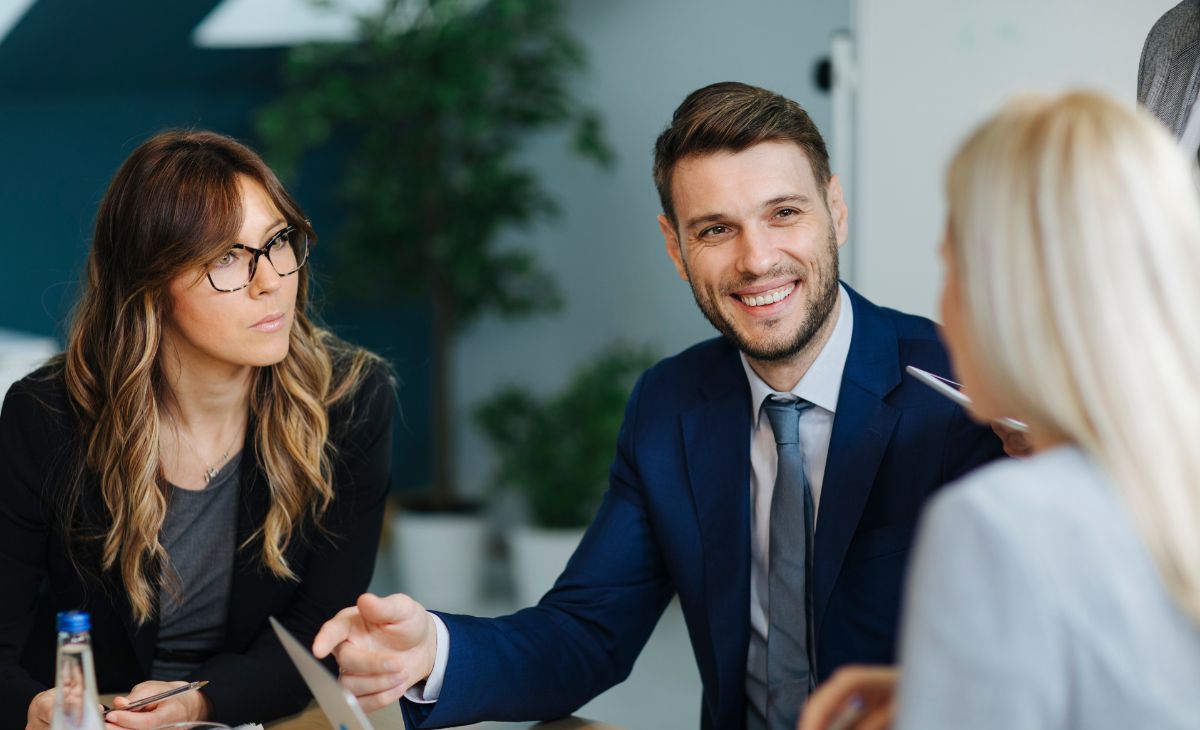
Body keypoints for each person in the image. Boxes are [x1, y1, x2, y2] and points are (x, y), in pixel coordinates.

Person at [315, 82, 1004, 730]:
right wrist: (430, 652)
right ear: (675, 247)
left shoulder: (969, 387)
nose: (757, 260)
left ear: (837, 210)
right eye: (714, 230)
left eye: (784, 213)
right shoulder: (671, 405)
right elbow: (588, 631)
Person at [802, 91, 1200, 730]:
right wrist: (941, 681)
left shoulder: (996, 524)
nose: (942, 307)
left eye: (952, 268)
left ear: (1007, 290)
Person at [0, 130, 395, 729]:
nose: (272, 281)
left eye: (278, 242)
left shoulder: (350, 402)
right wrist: (39, 707)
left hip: (256, 716)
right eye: (226, 259)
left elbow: (317, 635)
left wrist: (198, 703)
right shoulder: (48, 416)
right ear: (151, 287)